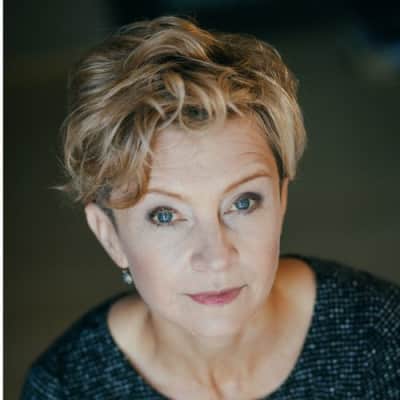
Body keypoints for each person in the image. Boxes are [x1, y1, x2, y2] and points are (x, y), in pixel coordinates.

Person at [21, 16, 399, 399]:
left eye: (242, 203)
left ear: (281, 200)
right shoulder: (64, 387)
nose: (216, 258)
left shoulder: (383, 339)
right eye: (165, 215)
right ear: (109, 235)